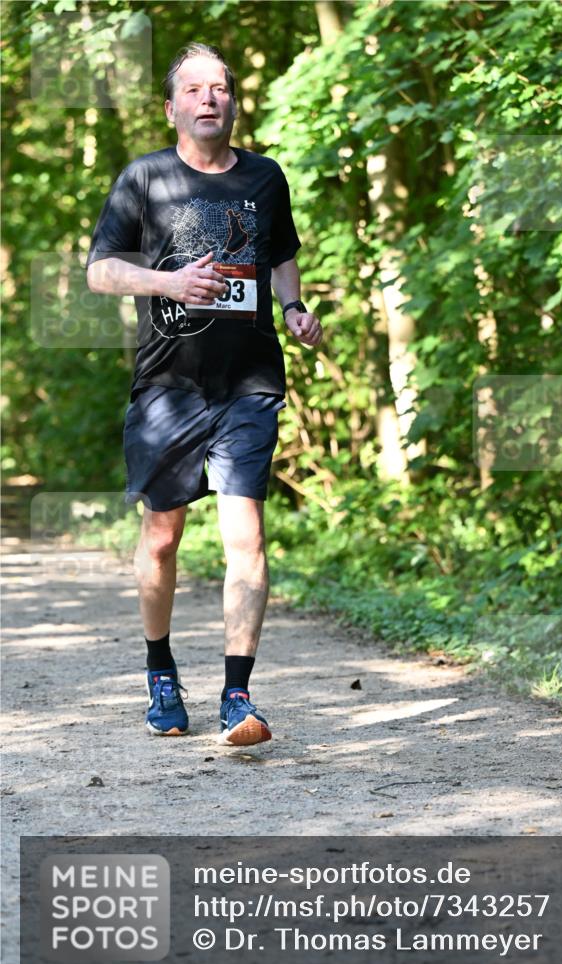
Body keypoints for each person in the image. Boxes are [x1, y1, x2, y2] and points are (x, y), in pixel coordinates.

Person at [86, 42, 323, 745]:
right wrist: (168, 282)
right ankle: (161, 673)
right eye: (194, 89)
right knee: (161, 541)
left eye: (219, 87)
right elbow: (101, 271)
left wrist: (293, 309)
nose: (210, 98)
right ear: (172, 107)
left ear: (233, 101)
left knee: (245, 537)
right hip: (167, 386)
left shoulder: (264, 177)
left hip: (249, 382)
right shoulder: (146, 178)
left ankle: (237, 695)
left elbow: (280, 254)